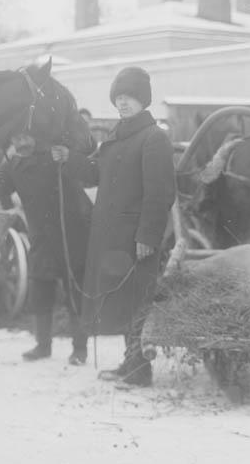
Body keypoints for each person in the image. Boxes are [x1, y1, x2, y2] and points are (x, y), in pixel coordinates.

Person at [56, 67, 175, 387]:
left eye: (130, 98)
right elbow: (94, 174)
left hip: (135, 238)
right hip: (111, 238)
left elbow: (160, 194)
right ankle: (131, 362)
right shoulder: (117, 136)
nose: (123, 104)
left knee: (136, 300)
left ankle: (140, 370)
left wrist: (148, 237)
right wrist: (68, 158)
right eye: (119, 98)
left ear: (143, 100)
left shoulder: (154, 138)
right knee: (123, 301)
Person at [0, 129, 95, 366]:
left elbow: (87, 166)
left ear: (37, 136)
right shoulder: (13, 165)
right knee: (40, 288)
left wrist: (68, 157)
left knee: (75, 291)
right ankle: (42, 345)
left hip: (72, 233)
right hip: (41, 237)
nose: (20, 142)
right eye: (15, 137)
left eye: (25, 136)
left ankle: (80, 349)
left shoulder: (55, 155)